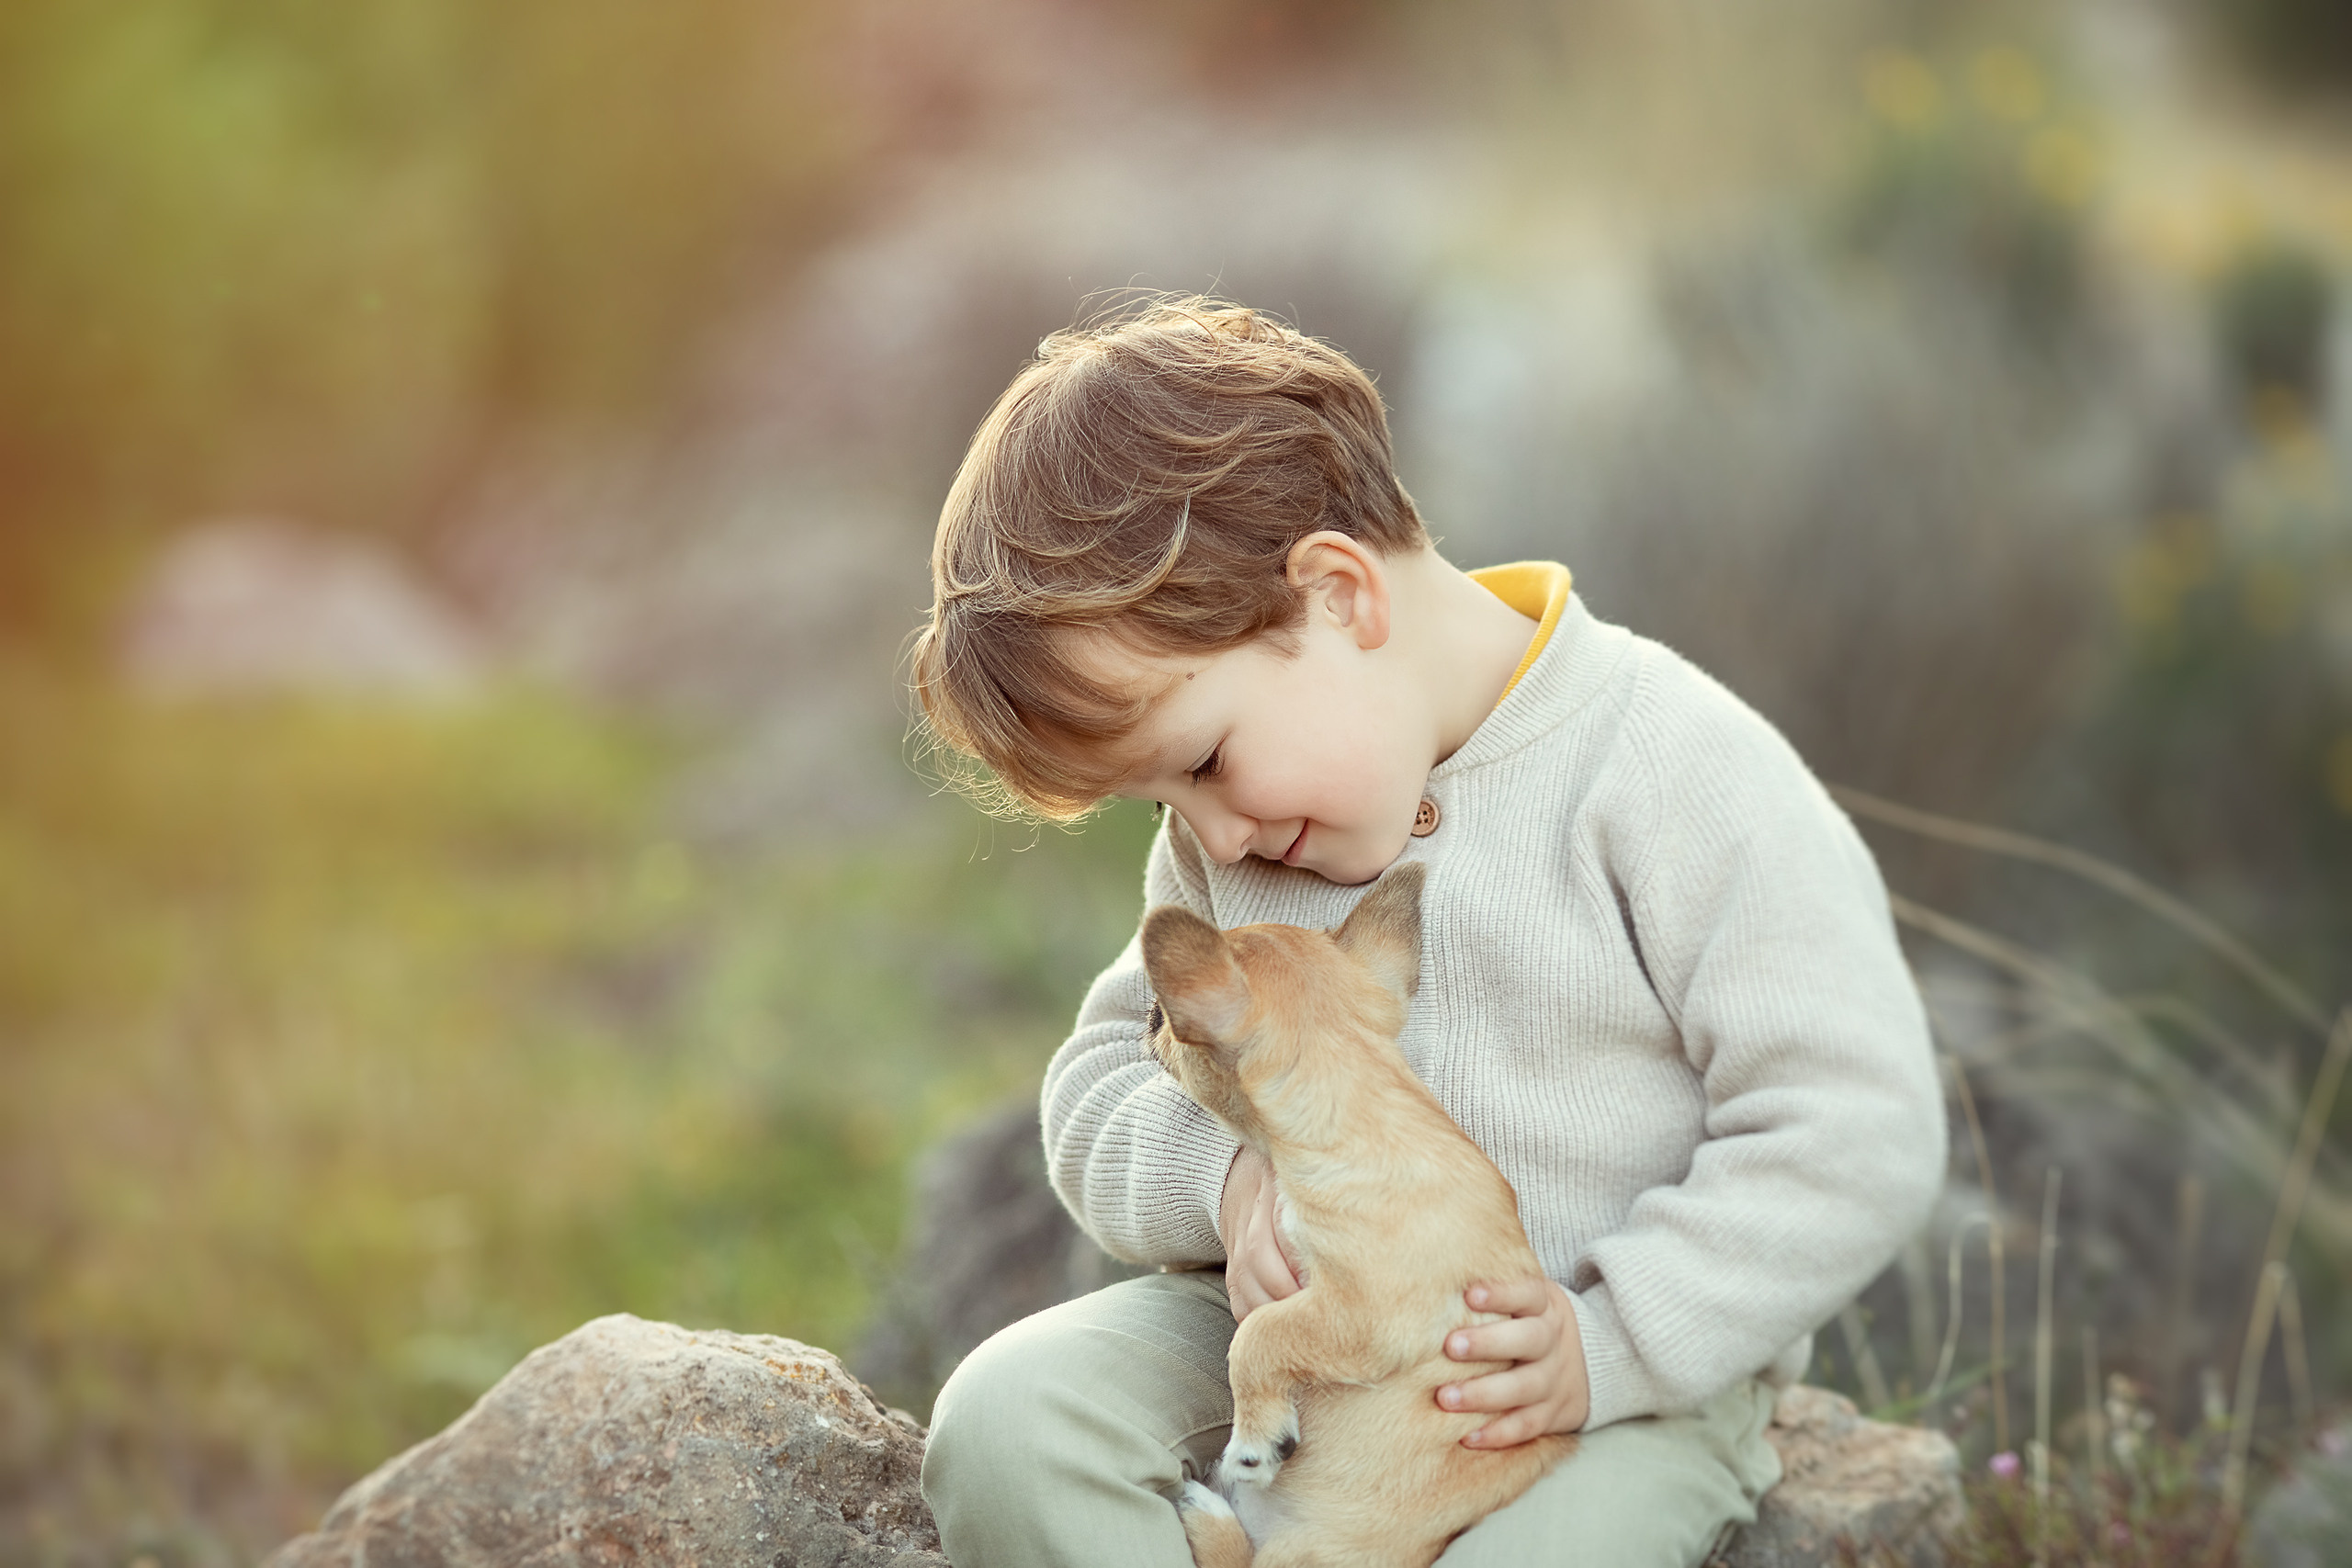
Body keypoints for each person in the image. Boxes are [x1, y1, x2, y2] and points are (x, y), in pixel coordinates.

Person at [904, 297, 1945, 1566]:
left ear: (1339, 595)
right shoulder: (1233, 843)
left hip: (1578, 1388)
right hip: (1301, 1343)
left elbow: (1858, 1118)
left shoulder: (1674, 772)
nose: (1210, 836)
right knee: (1010, 1428)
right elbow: (1097, 1079)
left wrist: (1615, 1341)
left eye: (1211, 761)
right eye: (1164, 802)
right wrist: (1227, 1189)